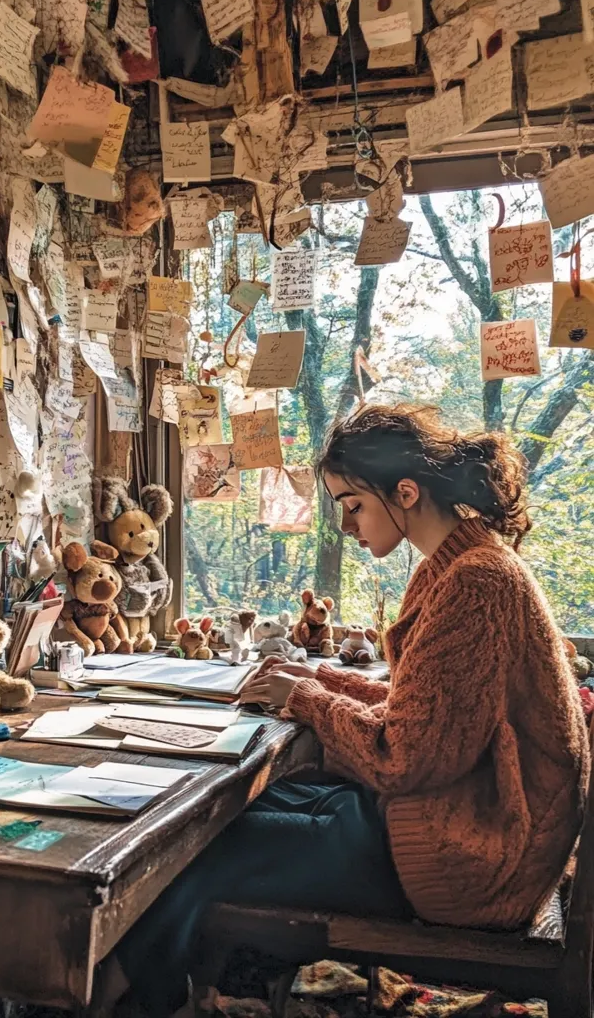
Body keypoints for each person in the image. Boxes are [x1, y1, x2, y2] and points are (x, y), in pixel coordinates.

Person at [96, 403, 590, 1018]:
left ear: (405, 492)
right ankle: (157, 989)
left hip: (473, 864)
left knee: (197, 846)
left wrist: (305, 697)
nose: (347, 527)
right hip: (459, 823)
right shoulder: (461, 566)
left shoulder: (476, 582)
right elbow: (433, 711)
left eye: (353, 506)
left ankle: (128, 999)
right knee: (230, 811)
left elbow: (404, 757)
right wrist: (315, 676)